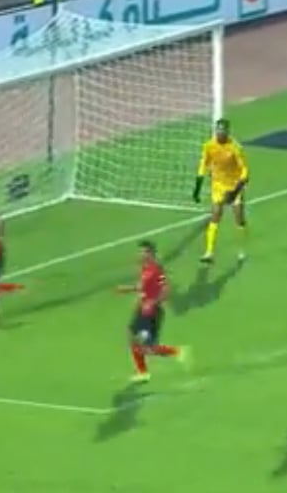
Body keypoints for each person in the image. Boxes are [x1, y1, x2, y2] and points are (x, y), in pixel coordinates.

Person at [118, 240, 190, 383]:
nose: (141, 254)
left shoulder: (156, 269)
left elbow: (166, 290)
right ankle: (143, 372)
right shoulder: (144, 268)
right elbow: (142, 287)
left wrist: (153, 302)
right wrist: (127, 289)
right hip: (142, 310)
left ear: (151, 253)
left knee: (148, 348)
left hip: (152, 313)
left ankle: (177, 352)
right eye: (140, 251)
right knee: (133, 339)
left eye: (144, 251)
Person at [193, 119, 250, 264]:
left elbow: (244, 168)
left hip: (234, 184)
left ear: (227, 132)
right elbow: (203, 165)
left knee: (239, 217)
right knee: (215, 215)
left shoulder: (235, 147)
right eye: (218, 130)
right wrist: (197, 188)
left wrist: (237, 189)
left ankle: (242, 248)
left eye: (223, 131)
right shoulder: (209, 146)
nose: (220, 133)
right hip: (218, 185)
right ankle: (209, 252)